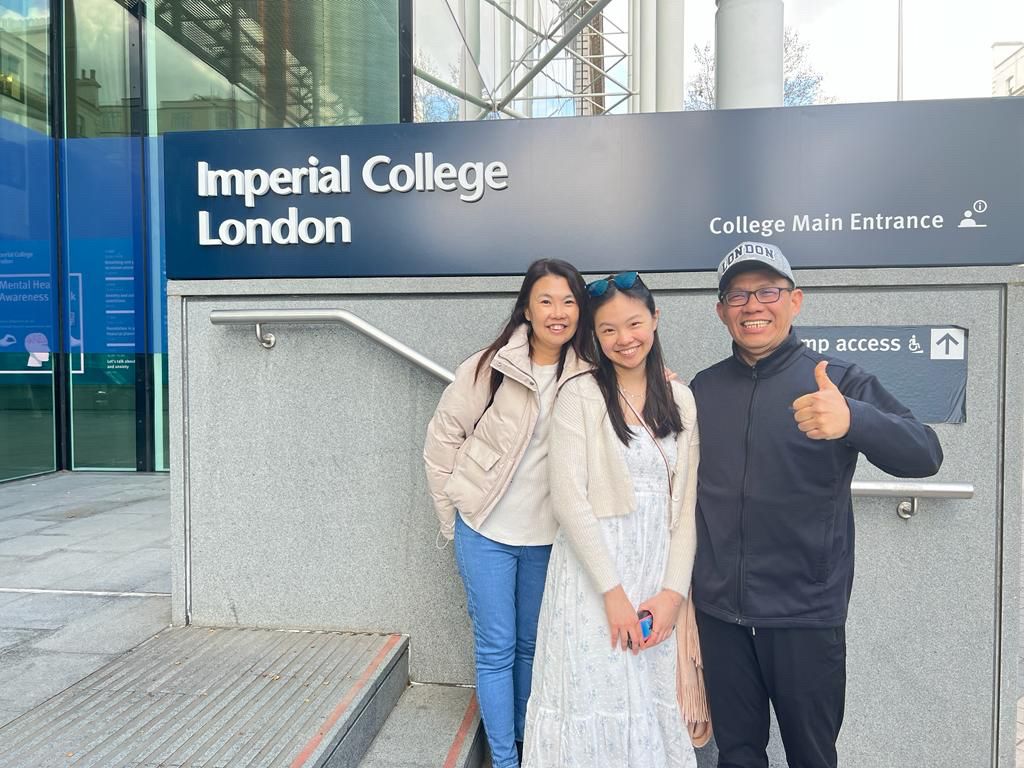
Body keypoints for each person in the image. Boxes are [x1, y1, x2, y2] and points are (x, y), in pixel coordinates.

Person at [690, 242, 944, 768]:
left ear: (796, 300)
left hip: (805, 613)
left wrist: (854, 419)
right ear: (720, 311)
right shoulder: (704, 389)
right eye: (737, 294)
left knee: (812, 755)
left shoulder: (839, 382)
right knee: (736, 754)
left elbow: (925, 454)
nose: (752, 305)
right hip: (720, 615)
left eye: (767, 291)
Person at [523, 271, 699, 768]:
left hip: (655, 572)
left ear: (655, 320)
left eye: (634, 324)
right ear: (595, 337)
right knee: (591, 694)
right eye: (608, 330)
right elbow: (569, 500)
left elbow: (684, 509)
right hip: (591, 577)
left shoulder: (681, 400)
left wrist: (672, 595)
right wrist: (613, 592)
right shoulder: (580, 395)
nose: (625, 339)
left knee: (646, 697)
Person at [423, 258, 591, 768]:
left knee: (532, 649)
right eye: (546, 300)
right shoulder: (489, 366)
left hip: (549, 537)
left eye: (568, 301)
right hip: (486, 531)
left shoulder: (590, 371)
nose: (557, 312)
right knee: (496, 650)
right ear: (526, 307)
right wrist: (453, 516)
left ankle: (530, 745)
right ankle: (504, 759)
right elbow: (442, 438)